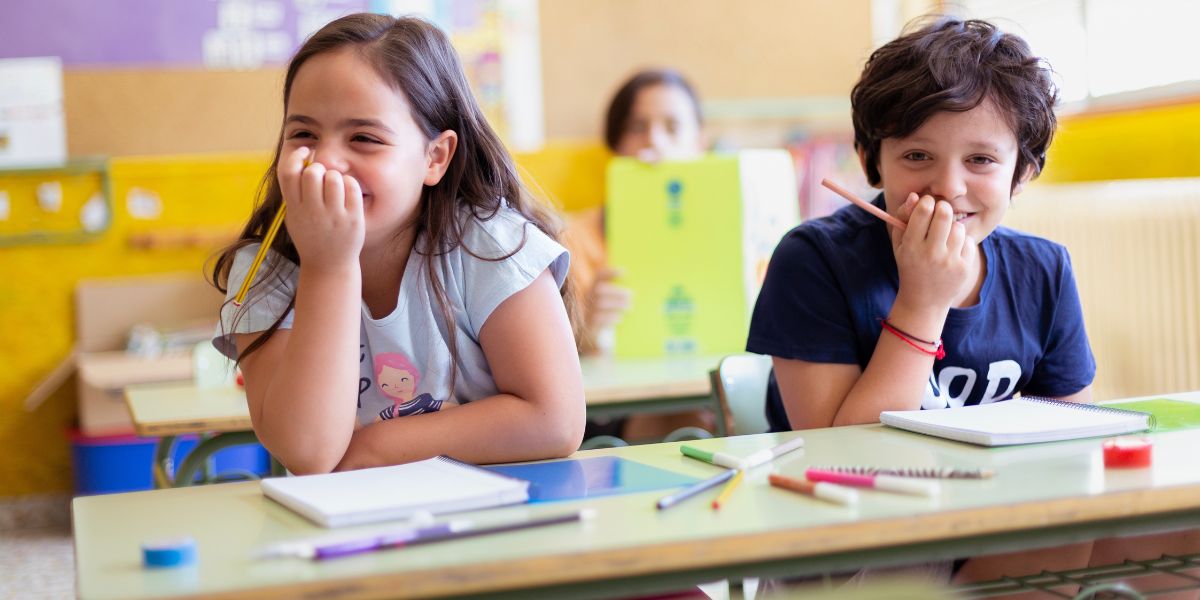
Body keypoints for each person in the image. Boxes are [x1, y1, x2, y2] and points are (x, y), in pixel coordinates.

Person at [749, 17, 1099, 584]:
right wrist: (923, 301)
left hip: (997, 520)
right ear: (871, 161)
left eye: (981, 160)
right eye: (916, 156)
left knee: (1135, 528)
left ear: (1023, 171)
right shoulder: (813, 259)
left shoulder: (1044, 269)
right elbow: (842, 462)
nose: (948, 186)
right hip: (854, 544)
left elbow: (1070, 440)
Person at [210, 14, 584, 475]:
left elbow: (556, 420)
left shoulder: (491, 246)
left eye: (364, 138)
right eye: (303, 135)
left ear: (435, 157)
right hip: (350, 534)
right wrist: (330, 267)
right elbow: (308, 451)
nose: (325, 162)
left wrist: (377, 446)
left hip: (493, 520)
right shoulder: (267, 268)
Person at [568, 68, 712, 442]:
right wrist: (587, 331)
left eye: (672, 127)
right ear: (615, 145)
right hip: (620, 412)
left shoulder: (730, 233)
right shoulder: (573, 239)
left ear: (700, 142)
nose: (655, 144)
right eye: (637, 127)